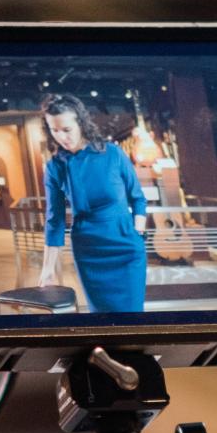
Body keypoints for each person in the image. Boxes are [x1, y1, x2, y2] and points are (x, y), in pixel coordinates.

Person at [38, 93, 149, 313]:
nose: (61, 137)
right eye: (54, 130)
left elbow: (138, 198)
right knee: (100, 316)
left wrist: (137, 232)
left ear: (81, 123)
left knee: (133, 316)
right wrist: (47, 269)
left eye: (66, 130)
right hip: (89, 250)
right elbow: (55, 219)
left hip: (125, 245)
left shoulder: (113, 154)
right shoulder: (55, 167)